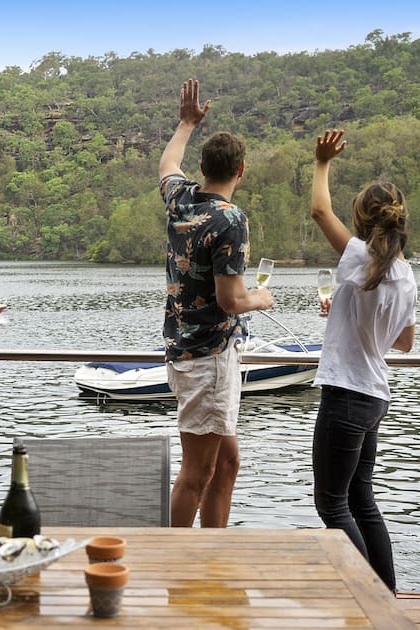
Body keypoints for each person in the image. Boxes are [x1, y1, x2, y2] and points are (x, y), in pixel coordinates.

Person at [159, 79, 274, 529]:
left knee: (227, 464)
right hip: (208, 357)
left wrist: (187, 122)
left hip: (189, 352)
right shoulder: (230, 220)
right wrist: (260, 298)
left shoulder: (180, 199)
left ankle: (215, 553)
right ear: (241, 170)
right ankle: (178, 562)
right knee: (197, 473)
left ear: (202, 168)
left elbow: (168, 162)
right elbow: (230, 300)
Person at [309, 129, 417, 593]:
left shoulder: (359, 256)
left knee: (332, 505)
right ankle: (387, 595)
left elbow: (318, 211)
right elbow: (404, 342)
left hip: (346, 397)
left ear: (362, 220)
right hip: (375, 397)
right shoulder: (405, 273)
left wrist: (321, 163)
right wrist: (350, 310)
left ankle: (369, 596)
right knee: (362, 500)